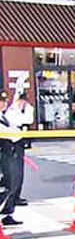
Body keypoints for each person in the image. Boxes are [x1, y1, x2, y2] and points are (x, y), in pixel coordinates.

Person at [5, 91, 34, 206]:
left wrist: (27, 109)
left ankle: (16, 196)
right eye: (21, 100)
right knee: (14, 172)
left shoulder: (24, 109)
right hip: (12, 143)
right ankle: (12, 197)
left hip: (20, 141)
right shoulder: (11, 111)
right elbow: (23, 120)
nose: (23, 103)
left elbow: (29, 120)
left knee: (19, 172)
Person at [0, 91, 23, 225]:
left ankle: (7, 213)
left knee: (11, 183)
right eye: (2, 101)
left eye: (5, 101)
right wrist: (17, 134)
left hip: (8, 152)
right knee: (6, 185)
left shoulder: (4, 116)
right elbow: (9, 133)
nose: (4, 104)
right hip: (2, 152)